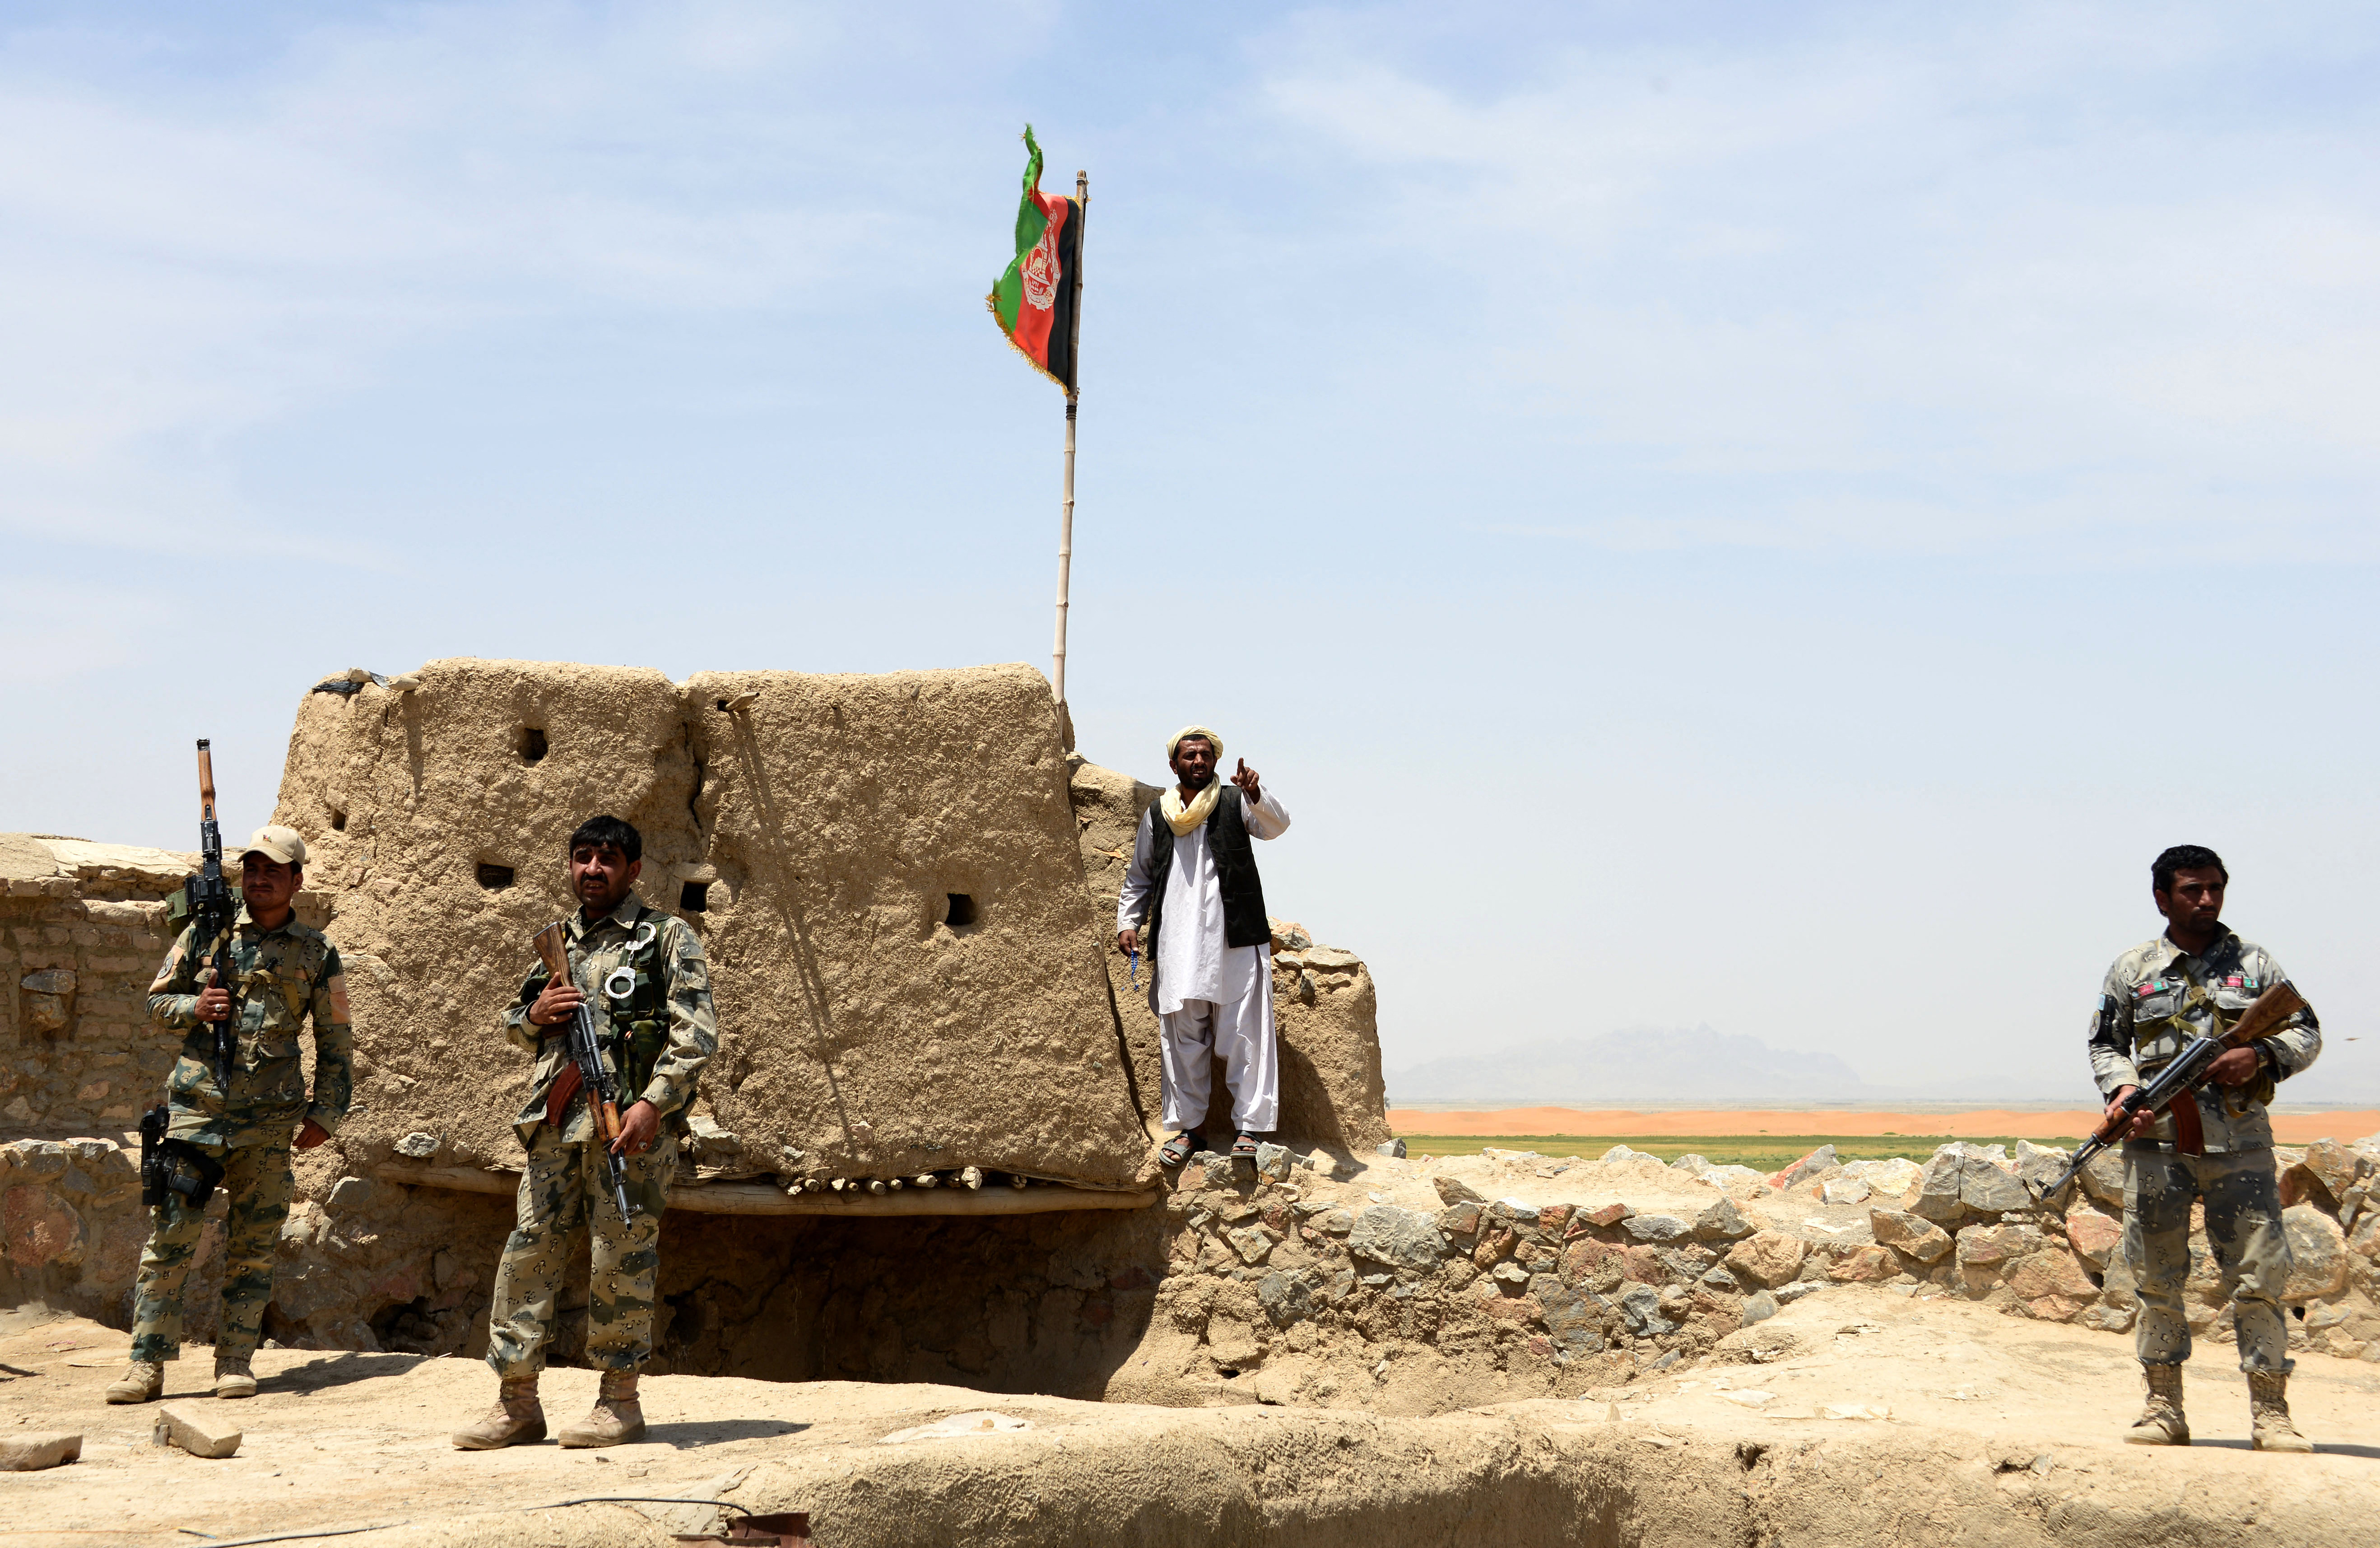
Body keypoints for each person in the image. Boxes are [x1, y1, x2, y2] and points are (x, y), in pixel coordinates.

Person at [452, 814, 715, 1451]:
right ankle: (516, 1402)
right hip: (555, 1127)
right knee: (527, 1254)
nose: (592, 870)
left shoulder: (664, 938)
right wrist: (535, 1014)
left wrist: (653, 1105)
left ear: (634, 870)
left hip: (627, 1131)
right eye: (582, 858)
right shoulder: (559, 943)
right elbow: (518, 1024)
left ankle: (619, 1401)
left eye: (606, 859)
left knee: (618, 1259)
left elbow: (696, 1033)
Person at [2088, 844, 2321, 1451]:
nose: (2207, 899)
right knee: (2157, 1280)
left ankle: (2271, 1414)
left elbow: (2306, 1031)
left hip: (2241, 1151)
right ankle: (2163, 1408)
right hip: (2157, 1149)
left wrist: (2261, 1055)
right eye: (2191, 890)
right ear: (2163, 897)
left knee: (2259, 1279)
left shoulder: (2255, 963)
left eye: (2215, 887)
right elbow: (2106, 1044)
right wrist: (2124, 1088)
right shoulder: (2132, 970)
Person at [106, 826, 349, 1404]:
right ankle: (147, 1366)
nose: (259, 877)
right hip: (196, 1114)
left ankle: (235, 1361)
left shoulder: (317, 952)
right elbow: (156, 998)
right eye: (252, 868)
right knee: (171, 1238)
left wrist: (328, 1111)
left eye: (273, 869)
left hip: (267, 1123)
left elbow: (336, 1039)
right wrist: (197, 1003)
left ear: (296, 879)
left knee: (254, 1244)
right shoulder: (206, 931)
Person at [1116, 725, 1291, 1168]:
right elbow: (1139, 875)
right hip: (1177, 944)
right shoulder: (1158, 814)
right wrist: (1129, 921)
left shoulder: (1235, 802)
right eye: (1189, 755)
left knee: (1244, 1033)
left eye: (1206, 754)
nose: (1199, 760)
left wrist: (1255, 793)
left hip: (1233, 938)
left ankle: (1249, 1128)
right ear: (1174, 764)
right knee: (1182, 1038)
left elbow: (1275, 826)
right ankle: (1190, 1130)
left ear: (1215, 761)